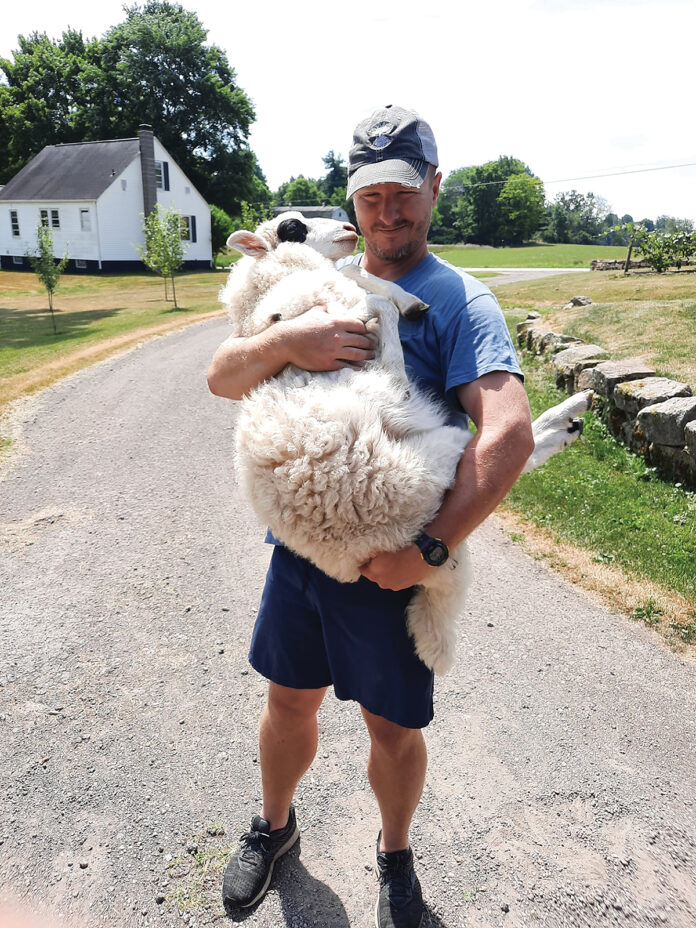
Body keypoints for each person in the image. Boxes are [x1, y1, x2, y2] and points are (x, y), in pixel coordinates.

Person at [207, 105, 534, 928]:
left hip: (391, 565)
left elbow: (510, 434)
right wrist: (293, 340)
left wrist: (429, 549)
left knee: (391, 732)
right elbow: (221, 375)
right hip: (300, 553)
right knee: (288, 702)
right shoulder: (328, 282)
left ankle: (395, 860)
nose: (387, 213)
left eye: (402, 193)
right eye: (369, 197)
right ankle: (275, 828)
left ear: (433, 187)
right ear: (350, 206)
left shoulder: (462, 302)